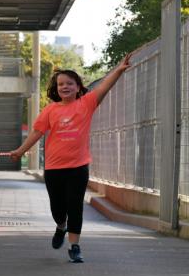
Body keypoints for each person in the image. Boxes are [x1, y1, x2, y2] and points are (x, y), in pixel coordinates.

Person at [10, 54, 132, 263]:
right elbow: (37, 133)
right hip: (54, 168)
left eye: (69, 83)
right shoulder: (50, 110)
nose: (64, 87)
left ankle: (74, 246)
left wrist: (119, 70)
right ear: (56, 88)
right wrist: (20, 151)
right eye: (60, 84)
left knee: (75, 206)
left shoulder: (87, 103)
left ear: (78, 87)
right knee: (57, 207)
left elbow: (104, 87)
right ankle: (60, 226)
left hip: (78, 166)